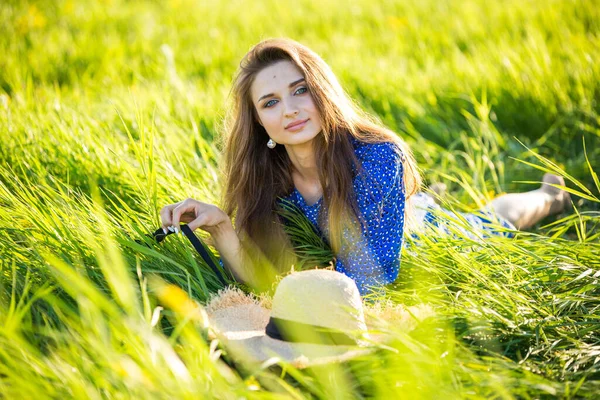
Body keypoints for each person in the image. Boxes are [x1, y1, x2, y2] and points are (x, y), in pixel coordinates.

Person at [159, 38, 571, 296]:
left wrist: (296, 296)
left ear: (322, 93)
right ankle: (424, 198)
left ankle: (549, 196)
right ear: (259, 122)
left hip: (420, 241)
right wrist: (222, 227)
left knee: (486, 224)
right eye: (270, 102)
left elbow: (371, 281)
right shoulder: (268, 180)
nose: (290, 110)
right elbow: (265, 278)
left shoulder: (376, 157)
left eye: (300, 90)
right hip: (343, 268)